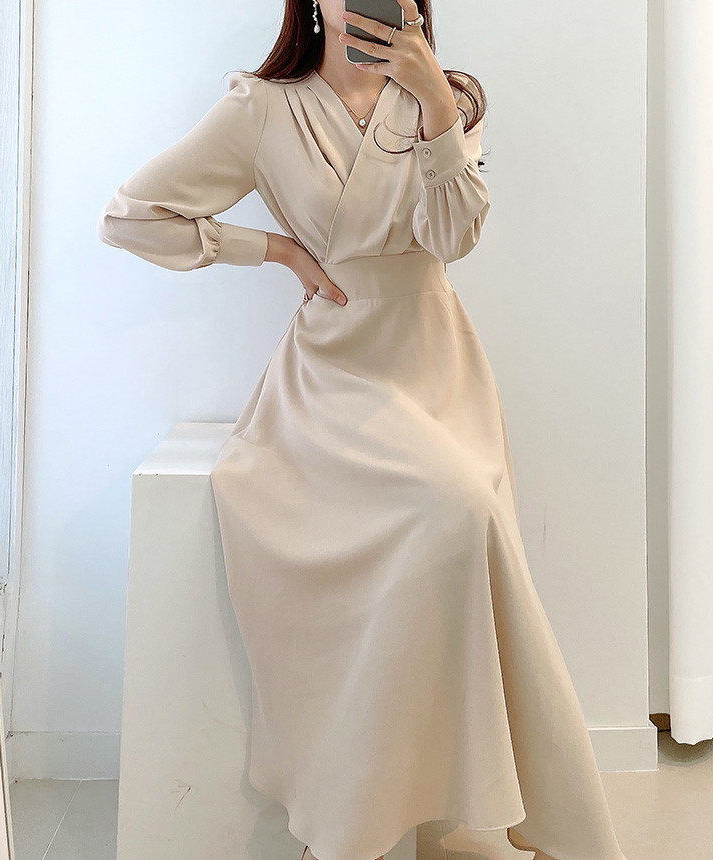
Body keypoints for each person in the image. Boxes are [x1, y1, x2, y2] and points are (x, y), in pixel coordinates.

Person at [97, 2, 628, 859]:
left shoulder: (446, 97)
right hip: (334, 373)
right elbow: (129, 216)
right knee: (448, 514)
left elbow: (453, 236)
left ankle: (418, 804)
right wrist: (273, 250)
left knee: (462, 513)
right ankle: (354, 815)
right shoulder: (262, 108)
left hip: (434, 364)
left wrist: (435, 103)